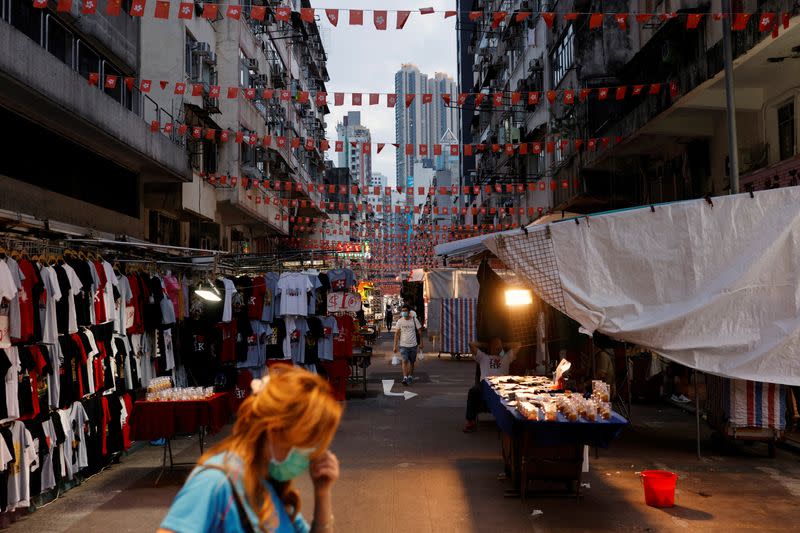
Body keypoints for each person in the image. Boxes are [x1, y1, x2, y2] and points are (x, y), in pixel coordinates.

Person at [158, 366, 343, 533]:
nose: (313, 453)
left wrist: (322, 492)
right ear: (275, 429)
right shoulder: (215, 482)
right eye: (308, 440)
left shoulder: (268, 483)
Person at [463, 337, 520, 433]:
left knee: (514, 393)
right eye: (494, 345)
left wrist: (504, 345)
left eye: (499, 345)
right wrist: (485, 345)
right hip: (486, 385)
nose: (497, 347)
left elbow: (518, 344)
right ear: (490, 347)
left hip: (502, 385)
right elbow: (471, 344)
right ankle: (470, 422)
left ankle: (512, 421)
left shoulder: (506, 357)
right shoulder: (483, 357)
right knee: (473, 391)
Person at [393, 304, 422, 386]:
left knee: (412, 362)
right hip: (403, 345)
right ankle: (405, 377)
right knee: (405, 360)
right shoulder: (400, 321)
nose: (404, 312)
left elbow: (420, 331)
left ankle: (410, 376)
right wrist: (395, 346)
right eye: (403, 311)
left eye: (405, 311)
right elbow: (397, 334)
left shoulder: (414, 319)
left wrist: (421, 343)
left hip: (413, 345)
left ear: (409, 312)